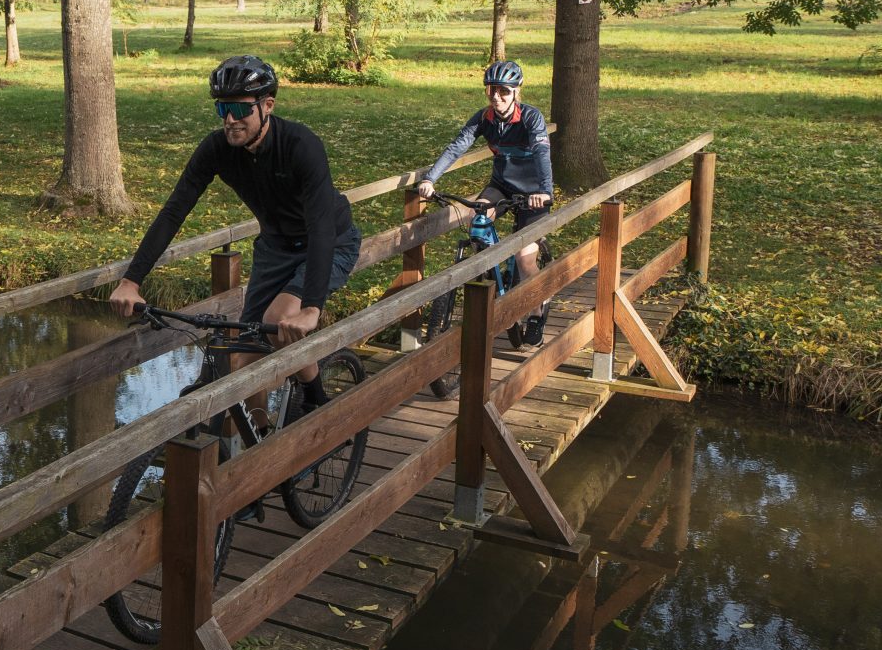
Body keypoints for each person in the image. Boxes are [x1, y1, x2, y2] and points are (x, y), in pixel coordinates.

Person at [109, 55, 360, 401]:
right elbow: (173, 212)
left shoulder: (301, 146)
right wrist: (131, 281)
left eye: (240, 110)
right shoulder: (216, 150)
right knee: (243, 356)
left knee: (279, 321)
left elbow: (320, 227)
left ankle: (316, 401)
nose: (230, 120)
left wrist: (311, 309)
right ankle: (257, 437)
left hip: (331, 240)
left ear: (267, 106)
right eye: (222, 109)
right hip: (276, 247)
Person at [412, 59, 553, 348]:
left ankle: (537, 313)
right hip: (501, 186)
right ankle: (489, 273)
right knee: (477, 217)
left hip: (533, 193)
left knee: (524, 258)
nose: (497, 97)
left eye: (504, 91)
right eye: (492, 91)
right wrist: (430, 179)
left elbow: (541, 154)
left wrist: (545, 190)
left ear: (516, 92)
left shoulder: (530, 118)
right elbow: (457, 147)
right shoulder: (483, 118)